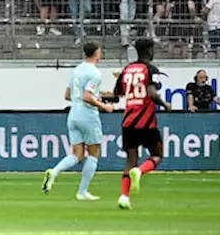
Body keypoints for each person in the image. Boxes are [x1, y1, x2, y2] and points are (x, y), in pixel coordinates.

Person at [42, 41, 116, 201]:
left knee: (78, 154)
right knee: (94, 152)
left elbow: (68, 95)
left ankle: (54, 171)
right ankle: (82, 192)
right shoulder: (95, 73)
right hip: (87, 114)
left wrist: (100, 94)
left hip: (73, 113)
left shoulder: (77, 70)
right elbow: (87, 96)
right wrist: (104, 106)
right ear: (96, 53)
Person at [114, 38, 168, 210]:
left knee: (130, 159)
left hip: (128, 120)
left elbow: (117, 92)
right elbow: (152, 93)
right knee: (157, 154)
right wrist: (165, 105)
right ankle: (140, 171)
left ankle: (124, 196)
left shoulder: (127, 69)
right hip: (147, 122)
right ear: (150, 50)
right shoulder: (150, 69)